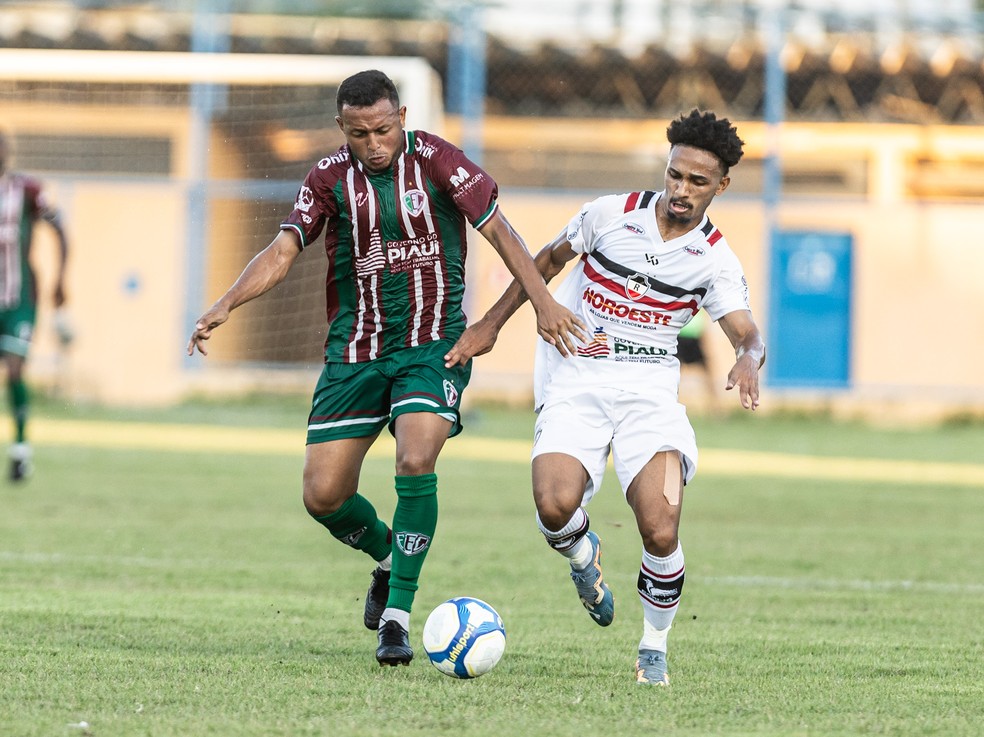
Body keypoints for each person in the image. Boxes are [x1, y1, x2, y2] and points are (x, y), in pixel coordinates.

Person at [186, 70, 583, 667]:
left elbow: (501, 232)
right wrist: (225, 303)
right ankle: (392, 556)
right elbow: (283, 250)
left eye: (381, 128)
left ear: (401, 115)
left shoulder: (438, 161)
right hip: (356, 349)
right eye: (358, 133)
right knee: (323, 496)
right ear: (341, 127)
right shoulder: (327, 179)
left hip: (433, 345)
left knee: (416, 456)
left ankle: (397, 616)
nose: (372, 143)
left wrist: (539, 305)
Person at [444, 109, 766, 685]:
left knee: (661, 527)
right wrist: (491, 325)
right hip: (578, 379)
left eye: (697, 182)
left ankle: (653, 648)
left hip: (649, 396)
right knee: (553, 507)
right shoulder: (608, 215)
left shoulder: (716, 259)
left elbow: (746, 331)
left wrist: (747, 356)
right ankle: (582, 556)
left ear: (721, 185)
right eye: (675, 175)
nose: (681, 191)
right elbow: (543, 261)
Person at [0, 131, 70, 482]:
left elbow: (59, 229)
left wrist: (60, 279)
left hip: (20, 300)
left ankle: (20, 450)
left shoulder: (26, 190)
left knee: (14, 370)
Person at [676, 308, 719, 414]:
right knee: (674, 373)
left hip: (695, 335)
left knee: (707, 371)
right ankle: (671, 403)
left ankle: (716, 406)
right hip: (680, 335)